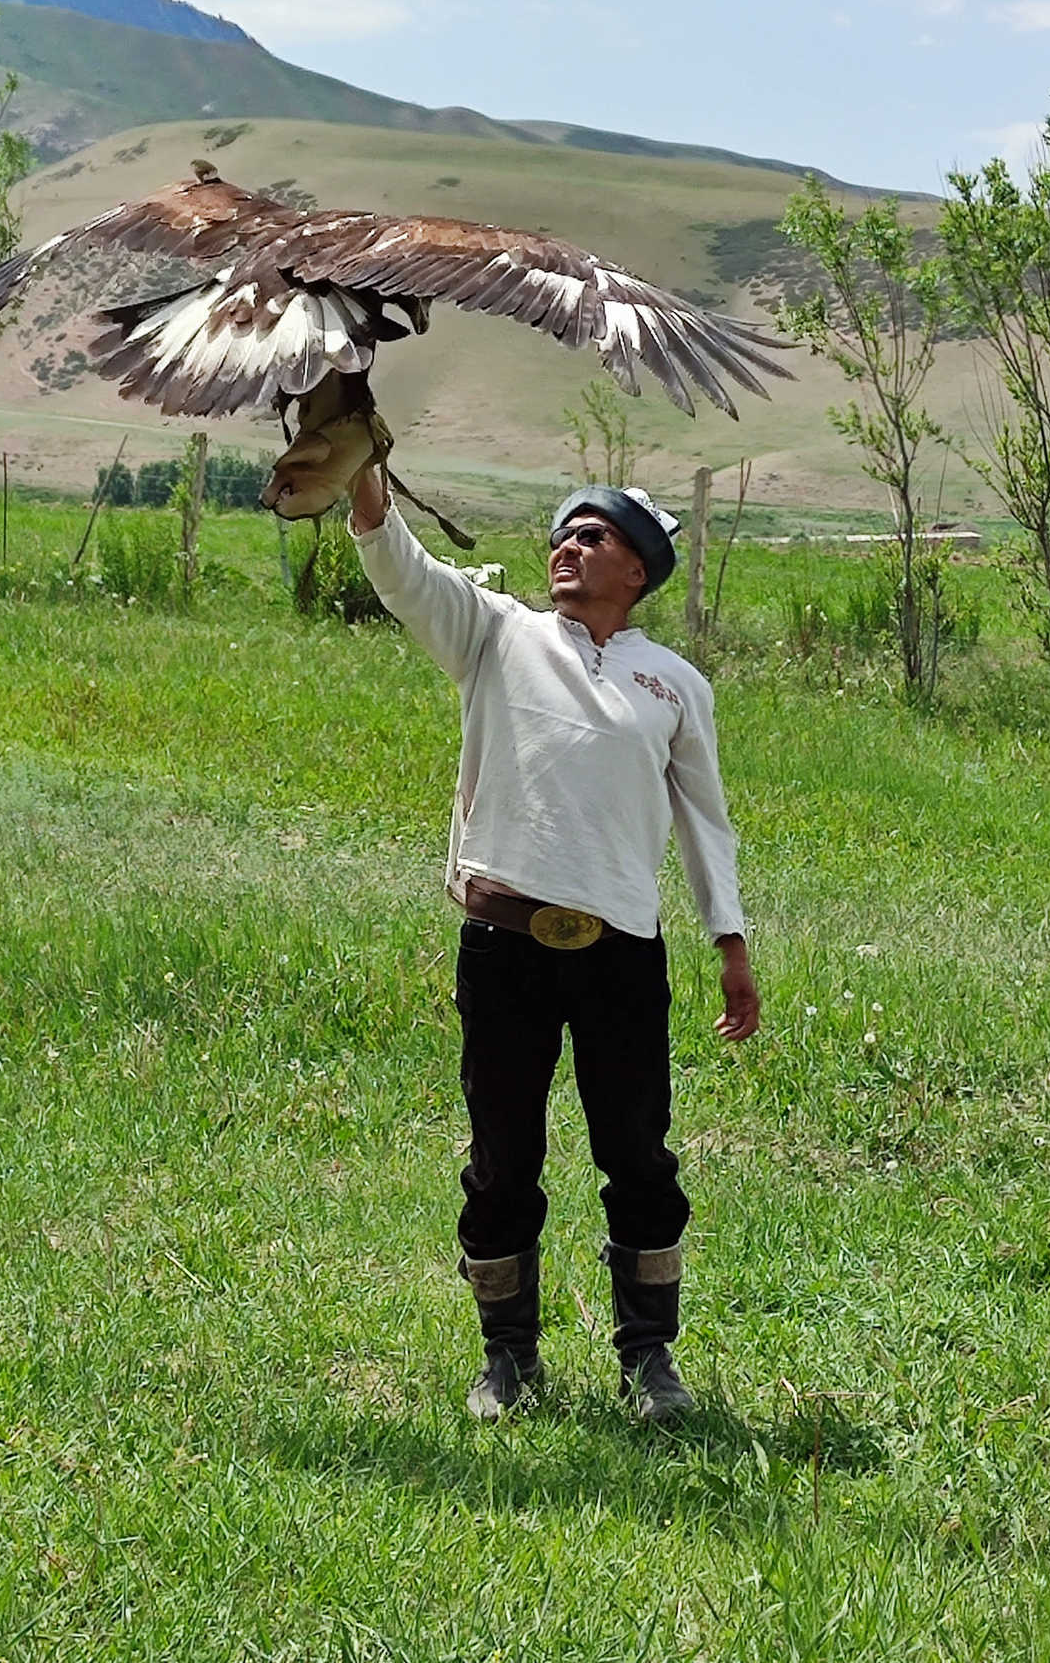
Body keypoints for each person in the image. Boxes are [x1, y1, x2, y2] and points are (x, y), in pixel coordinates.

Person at [349, 464, 759, 1421]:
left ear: (639, 574)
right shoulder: (496, 634)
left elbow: (707, 822)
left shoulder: (675, 685)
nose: (567, 549)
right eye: (562, 536)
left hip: (622, 954)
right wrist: (363, 476)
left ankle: (650, 1361)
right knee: (502, 1157)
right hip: (504, 948)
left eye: (594, 538)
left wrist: (728, 941)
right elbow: (401, 569)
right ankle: (508, 1361)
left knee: (639, 1156)